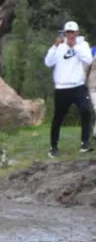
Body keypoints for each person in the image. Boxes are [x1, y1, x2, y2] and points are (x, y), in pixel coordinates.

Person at [44, 20, 93, 156]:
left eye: (73, 32)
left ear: (77, 33)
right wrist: (54, 46)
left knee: (86, 110)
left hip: (78, 86)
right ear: (65, 33)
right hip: (62, 87)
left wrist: (75, 47)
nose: (71, 35)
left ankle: (85, 143)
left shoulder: (82, 45)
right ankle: (53, 147)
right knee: (58, 117)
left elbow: (88, 59)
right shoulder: (59, 46)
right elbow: (48, 63)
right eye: (68, 32)